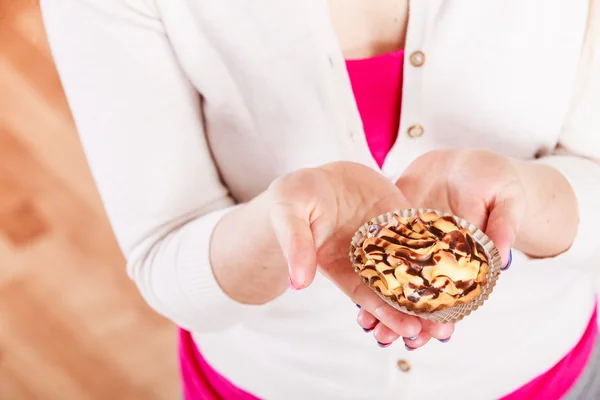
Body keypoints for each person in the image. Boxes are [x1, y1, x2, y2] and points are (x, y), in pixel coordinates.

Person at [41, 0, 600, 399]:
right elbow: (165, 257)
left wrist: (523, 197)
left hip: (547, 374)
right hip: (269, 381)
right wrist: (276, 228)